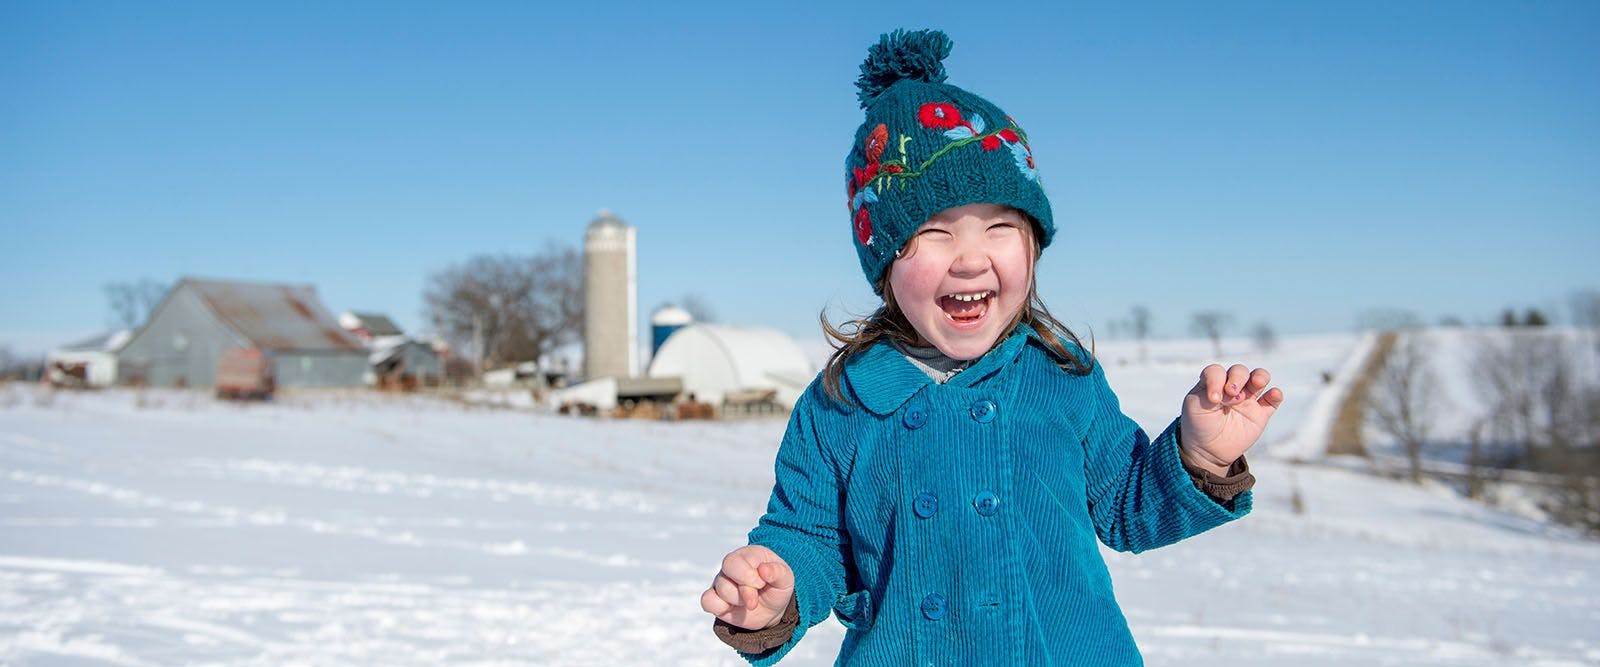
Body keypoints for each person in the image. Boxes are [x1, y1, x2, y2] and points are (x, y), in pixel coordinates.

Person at [699, 28, 1284, 666]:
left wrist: (1200, 457)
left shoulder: (1062, 378)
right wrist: (775, 594)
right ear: (886, 260)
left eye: (1001, 226)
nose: (972, 259)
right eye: (935, 232)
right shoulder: (839, 404)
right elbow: (810, 540)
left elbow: (1127, 508)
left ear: (1033, 246)